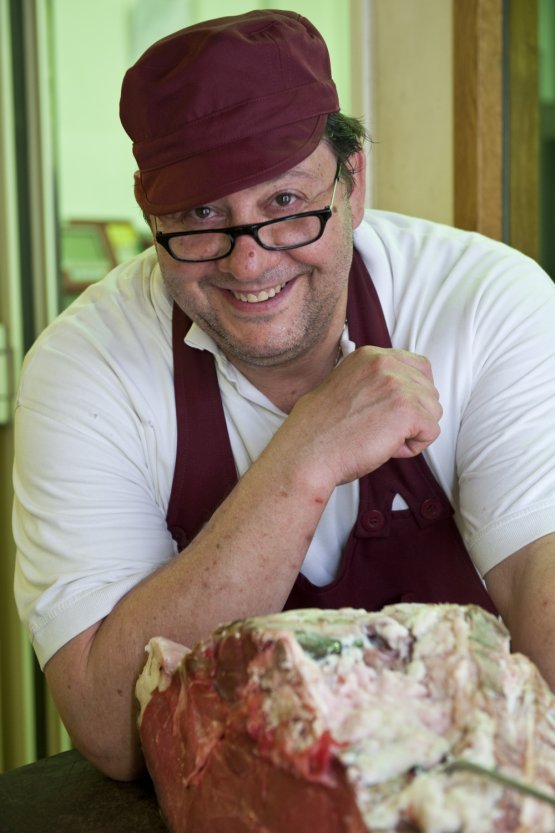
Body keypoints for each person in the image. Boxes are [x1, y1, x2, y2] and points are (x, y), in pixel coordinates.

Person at [12, 9, 555, 782]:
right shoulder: (84, 368)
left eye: (283, 205)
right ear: (149, 213)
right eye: (199, 218)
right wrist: (305, 456)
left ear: (353, 179)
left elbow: (544, 577)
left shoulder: (484, 302)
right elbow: (111, 726)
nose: (250, 263)